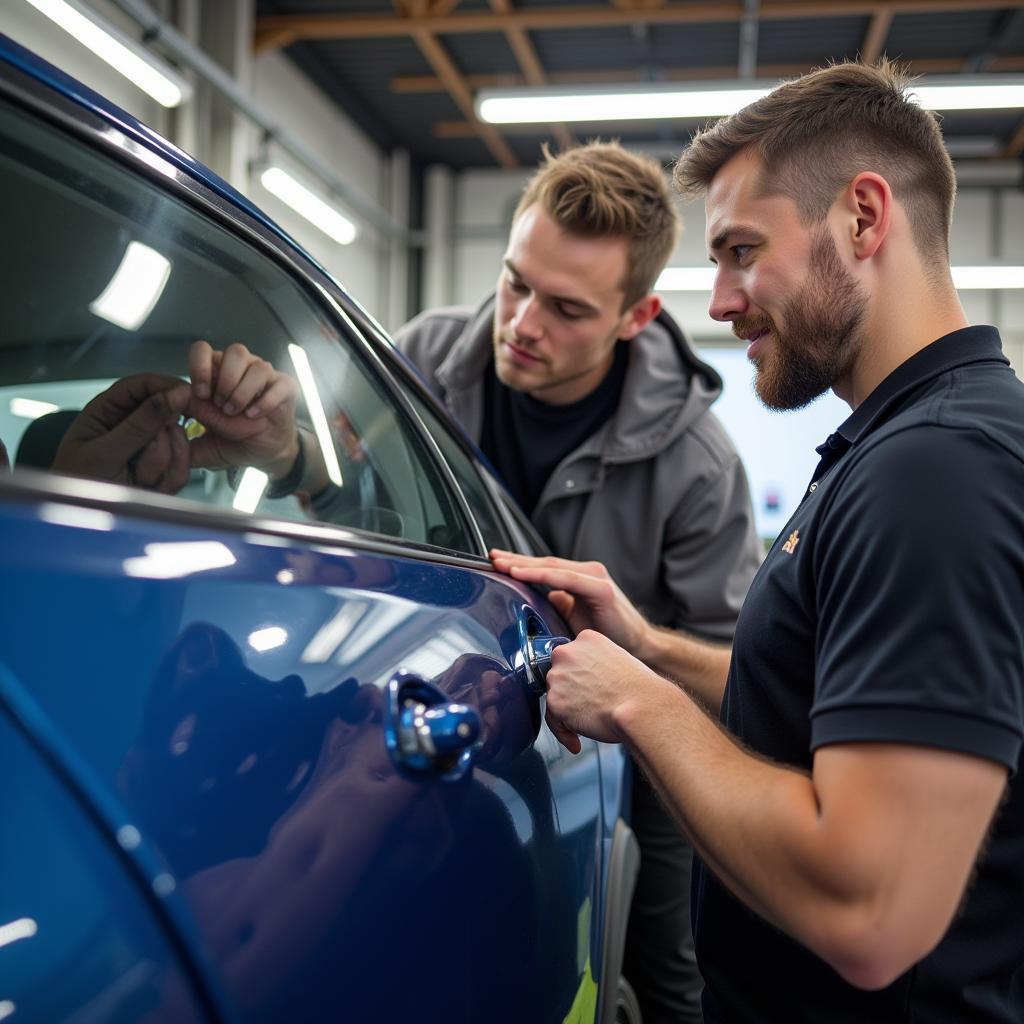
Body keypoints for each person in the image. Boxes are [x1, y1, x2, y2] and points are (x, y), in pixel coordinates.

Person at [491, 60, 1024, 1023]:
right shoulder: (896, 444)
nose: (724, 300)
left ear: (864, 219)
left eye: (742, 251)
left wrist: (644, 706)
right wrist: (649, 648)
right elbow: (818, 698)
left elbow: (867, 907)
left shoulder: (936, 472)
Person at [396, 140, 761, 1022]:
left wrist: (634, 673)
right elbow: (342, 495)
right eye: (515, 283)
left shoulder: (696, 462)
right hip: (457, 715)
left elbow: (736, 667)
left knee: (670, 973)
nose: (522, 323)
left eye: (565, 308)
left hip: (636, 754)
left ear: (634, 317)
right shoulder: (418, 360)